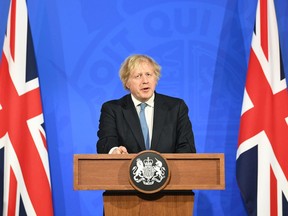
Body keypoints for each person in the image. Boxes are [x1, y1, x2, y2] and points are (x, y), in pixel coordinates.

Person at [96, 54, 196, 154]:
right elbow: (106, 142)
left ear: (156, 79)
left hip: (169, 169)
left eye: (148, 74)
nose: (145, 81)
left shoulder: (176, 107)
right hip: (125, 168)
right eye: (138, 76)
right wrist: (114, 151)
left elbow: (187, 147)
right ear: (127, 83)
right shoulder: (112, 109)